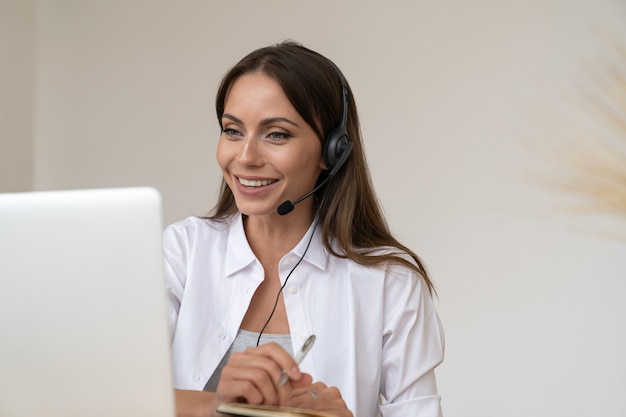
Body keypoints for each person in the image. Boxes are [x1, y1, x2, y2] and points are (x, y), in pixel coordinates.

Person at [162, 40, 445, 417]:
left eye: (276, 134)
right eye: (233, 131)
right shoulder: (183, 252)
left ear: (333, 152)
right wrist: (214, 406)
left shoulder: (391, 283)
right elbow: (109, 396)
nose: (245, 158)